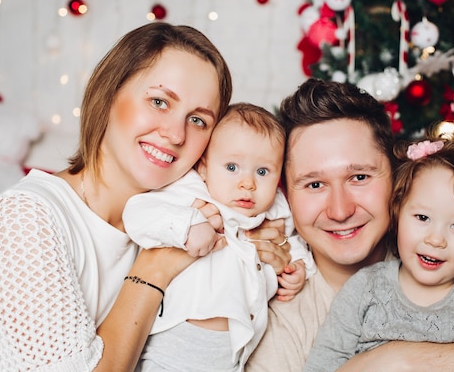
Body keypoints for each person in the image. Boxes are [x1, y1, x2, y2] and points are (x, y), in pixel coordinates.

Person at [0, 22, 292, 372]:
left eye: (198, 121)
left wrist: (257, 246)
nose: (174, 134)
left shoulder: (183, 213)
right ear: (109, 94)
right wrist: (156, 268)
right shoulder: (25, 217)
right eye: (159, 101)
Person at [245, 78, 454, 372]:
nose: (340, 210)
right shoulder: (274, 304)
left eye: (359, 177)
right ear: (285, 195)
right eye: (314, 184)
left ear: (395, 175)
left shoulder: (441, 242)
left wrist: (394, 361)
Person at [304, 135, 454, 372]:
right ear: (398, 213)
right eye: (422, 217)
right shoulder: (364, 288)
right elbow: (324, 363)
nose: (435, 239)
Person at [122, 102, 315, 372]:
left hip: (232, 350)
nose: (247, 183)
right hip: (172, 342)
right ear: (204, 167)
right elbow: (137, 213)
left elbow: (295, 240)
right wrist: (186, 226)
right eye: (232, 167)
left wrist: (300, 266)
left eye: (262, 172)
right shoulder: (189, 192)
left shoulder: (276, 209)